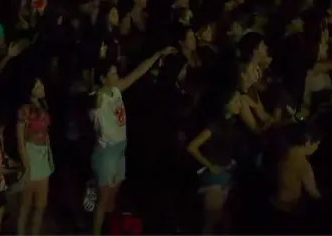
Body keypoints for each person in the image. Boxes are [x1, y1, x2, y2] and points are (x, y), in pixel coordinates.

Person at [90, 46, 176, 235]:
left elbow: (138, 73)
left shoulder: (116, 90)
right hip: (107, 152)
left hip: (120, 148)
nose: (116, 75)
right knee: (103, 201)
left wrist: (157, 54)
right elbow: (92, 100)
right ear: (103, 78)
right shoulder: (100, 99)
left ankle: (108, 229)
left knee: (112, 199)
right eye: (111, 74)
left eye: (115, 72)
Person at [186, 90, 248, 234]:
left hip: (226, 175)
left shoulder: (232, 124)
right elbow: (192, 147)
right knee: (211, 223)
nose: (240, 105)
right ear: (226, 103)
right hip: (214, 180)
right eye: (236, 101)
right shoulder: (215, 125)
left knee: (224, 221)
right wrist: (210, 165)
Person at [15, 78, 53, 235]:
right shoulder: (24, 111)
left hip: (43, 156)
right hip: (31, 155)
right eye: (37, 86)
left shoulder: (43, 105)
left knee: (40, 205)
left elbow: (46, 131)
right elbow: (20, 141)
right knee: (25, 205)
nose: (42, 87)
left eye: (41, 84)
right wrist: (26, 166)